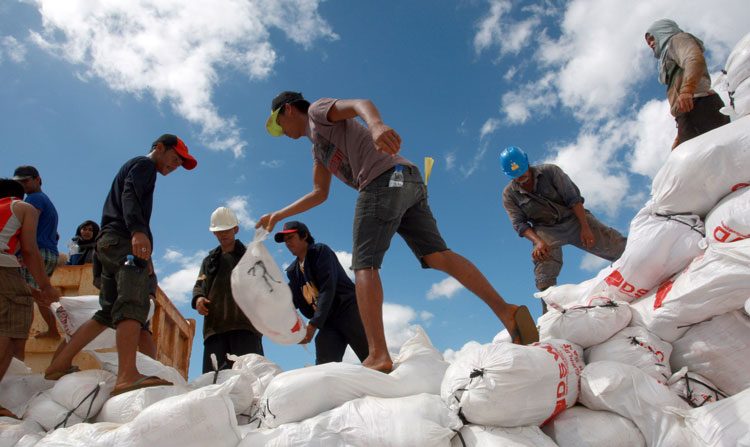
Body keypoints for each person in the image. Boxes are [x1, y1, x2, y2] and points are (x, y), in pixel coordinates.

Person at [257, 91, 538, 373]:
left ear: (289, 110)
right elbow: (320, 193)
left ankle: (378, 353)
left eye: (278, 123)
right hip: (408, 179)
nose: (282, 132)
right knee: (437, 256)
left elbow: (358, 104)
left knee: (364, 264)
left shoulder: (318, 112)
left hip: (382, 180)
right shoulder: (317, 149)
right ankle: (507, 311)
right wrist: (279, 215)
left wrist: (376, 125)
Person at [45, 134, 197, 396]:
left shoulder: (134, 166)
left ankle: (58, 364)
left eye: (180, 164)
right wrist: (138, 231)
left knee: (106, 312)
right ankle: (127, 376)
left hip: (107, 243)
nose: (175, 166)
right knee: (132, 304)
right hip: (122, 240)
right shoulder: (145, 165)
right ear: (159, 148)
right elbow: (131, 196)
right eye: (175, 158)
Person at [500, 146, 627, 312]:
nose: (521, 178)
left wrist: (585, 227)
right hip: (546, 230)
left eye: (522, 172)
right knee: (543, 265)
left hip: (574, 218)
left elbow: (574, 199)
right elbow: (520, 224)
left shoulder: (550, 171)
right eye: (516, 177)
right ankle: (549, 312)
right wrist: (538, 242)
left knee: (617, 246)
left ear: (527, 163)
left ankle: (643, 272)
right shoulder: (509, 195)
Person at [0, 179, 60, 418]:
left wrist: (30, 290)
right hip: (4, 267)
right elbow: (29, 250)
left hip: (7, 274)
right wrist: (46, 286)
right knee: (11, 334)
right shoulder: (23, 208)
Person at [275, 220, 369, 365]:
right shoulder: (293, 271)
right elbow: (291, 301)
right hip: (328, 320)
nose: (287, 243)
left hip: (349, 311)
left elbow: (327, 288)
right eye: (285, 240)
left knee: (371, 356)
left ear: (304, 236)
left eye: (290, 238)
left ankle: (392, 383)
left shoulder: (320, 252)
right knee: (325, 364)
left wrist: (313, 325)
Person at [192, 206, 263, 373]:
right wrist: (198, 299)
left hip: (245, 327)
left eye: (226, 230)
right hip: (215, 329)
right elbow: (199, 285)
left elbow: (262, 286)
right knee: (214, 381)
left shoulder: (250, 256)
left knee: (249, 379)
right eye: (218, 231)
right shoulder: (209, 260)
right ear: (213, 233)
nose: (222, 234)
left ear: (235, 229)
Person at [645, 19, 730, 149]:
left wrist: (686, 90)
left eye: (652, 38)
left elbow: (694, 59)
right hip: (689, 112)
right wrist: (680, 134)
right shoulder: (668, 54)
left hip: (700, 105)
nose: (650, 43)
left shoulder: (677, 40)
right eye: (648, 41)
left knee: (711, 160)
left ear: (662, 31)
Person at [12, 165, 60, 339]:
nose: (23, 185)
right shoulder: (44, 199)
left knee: (24, 297)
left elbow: (26, 229)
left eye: (26, 181)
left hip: (35, 252)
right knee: (39, 295)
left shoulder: (33, 199)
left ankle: (19, 337)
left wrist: (13, 253)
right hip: (48, 252)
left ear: (37, 179)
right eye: (19, 182)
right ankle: (53, 330)